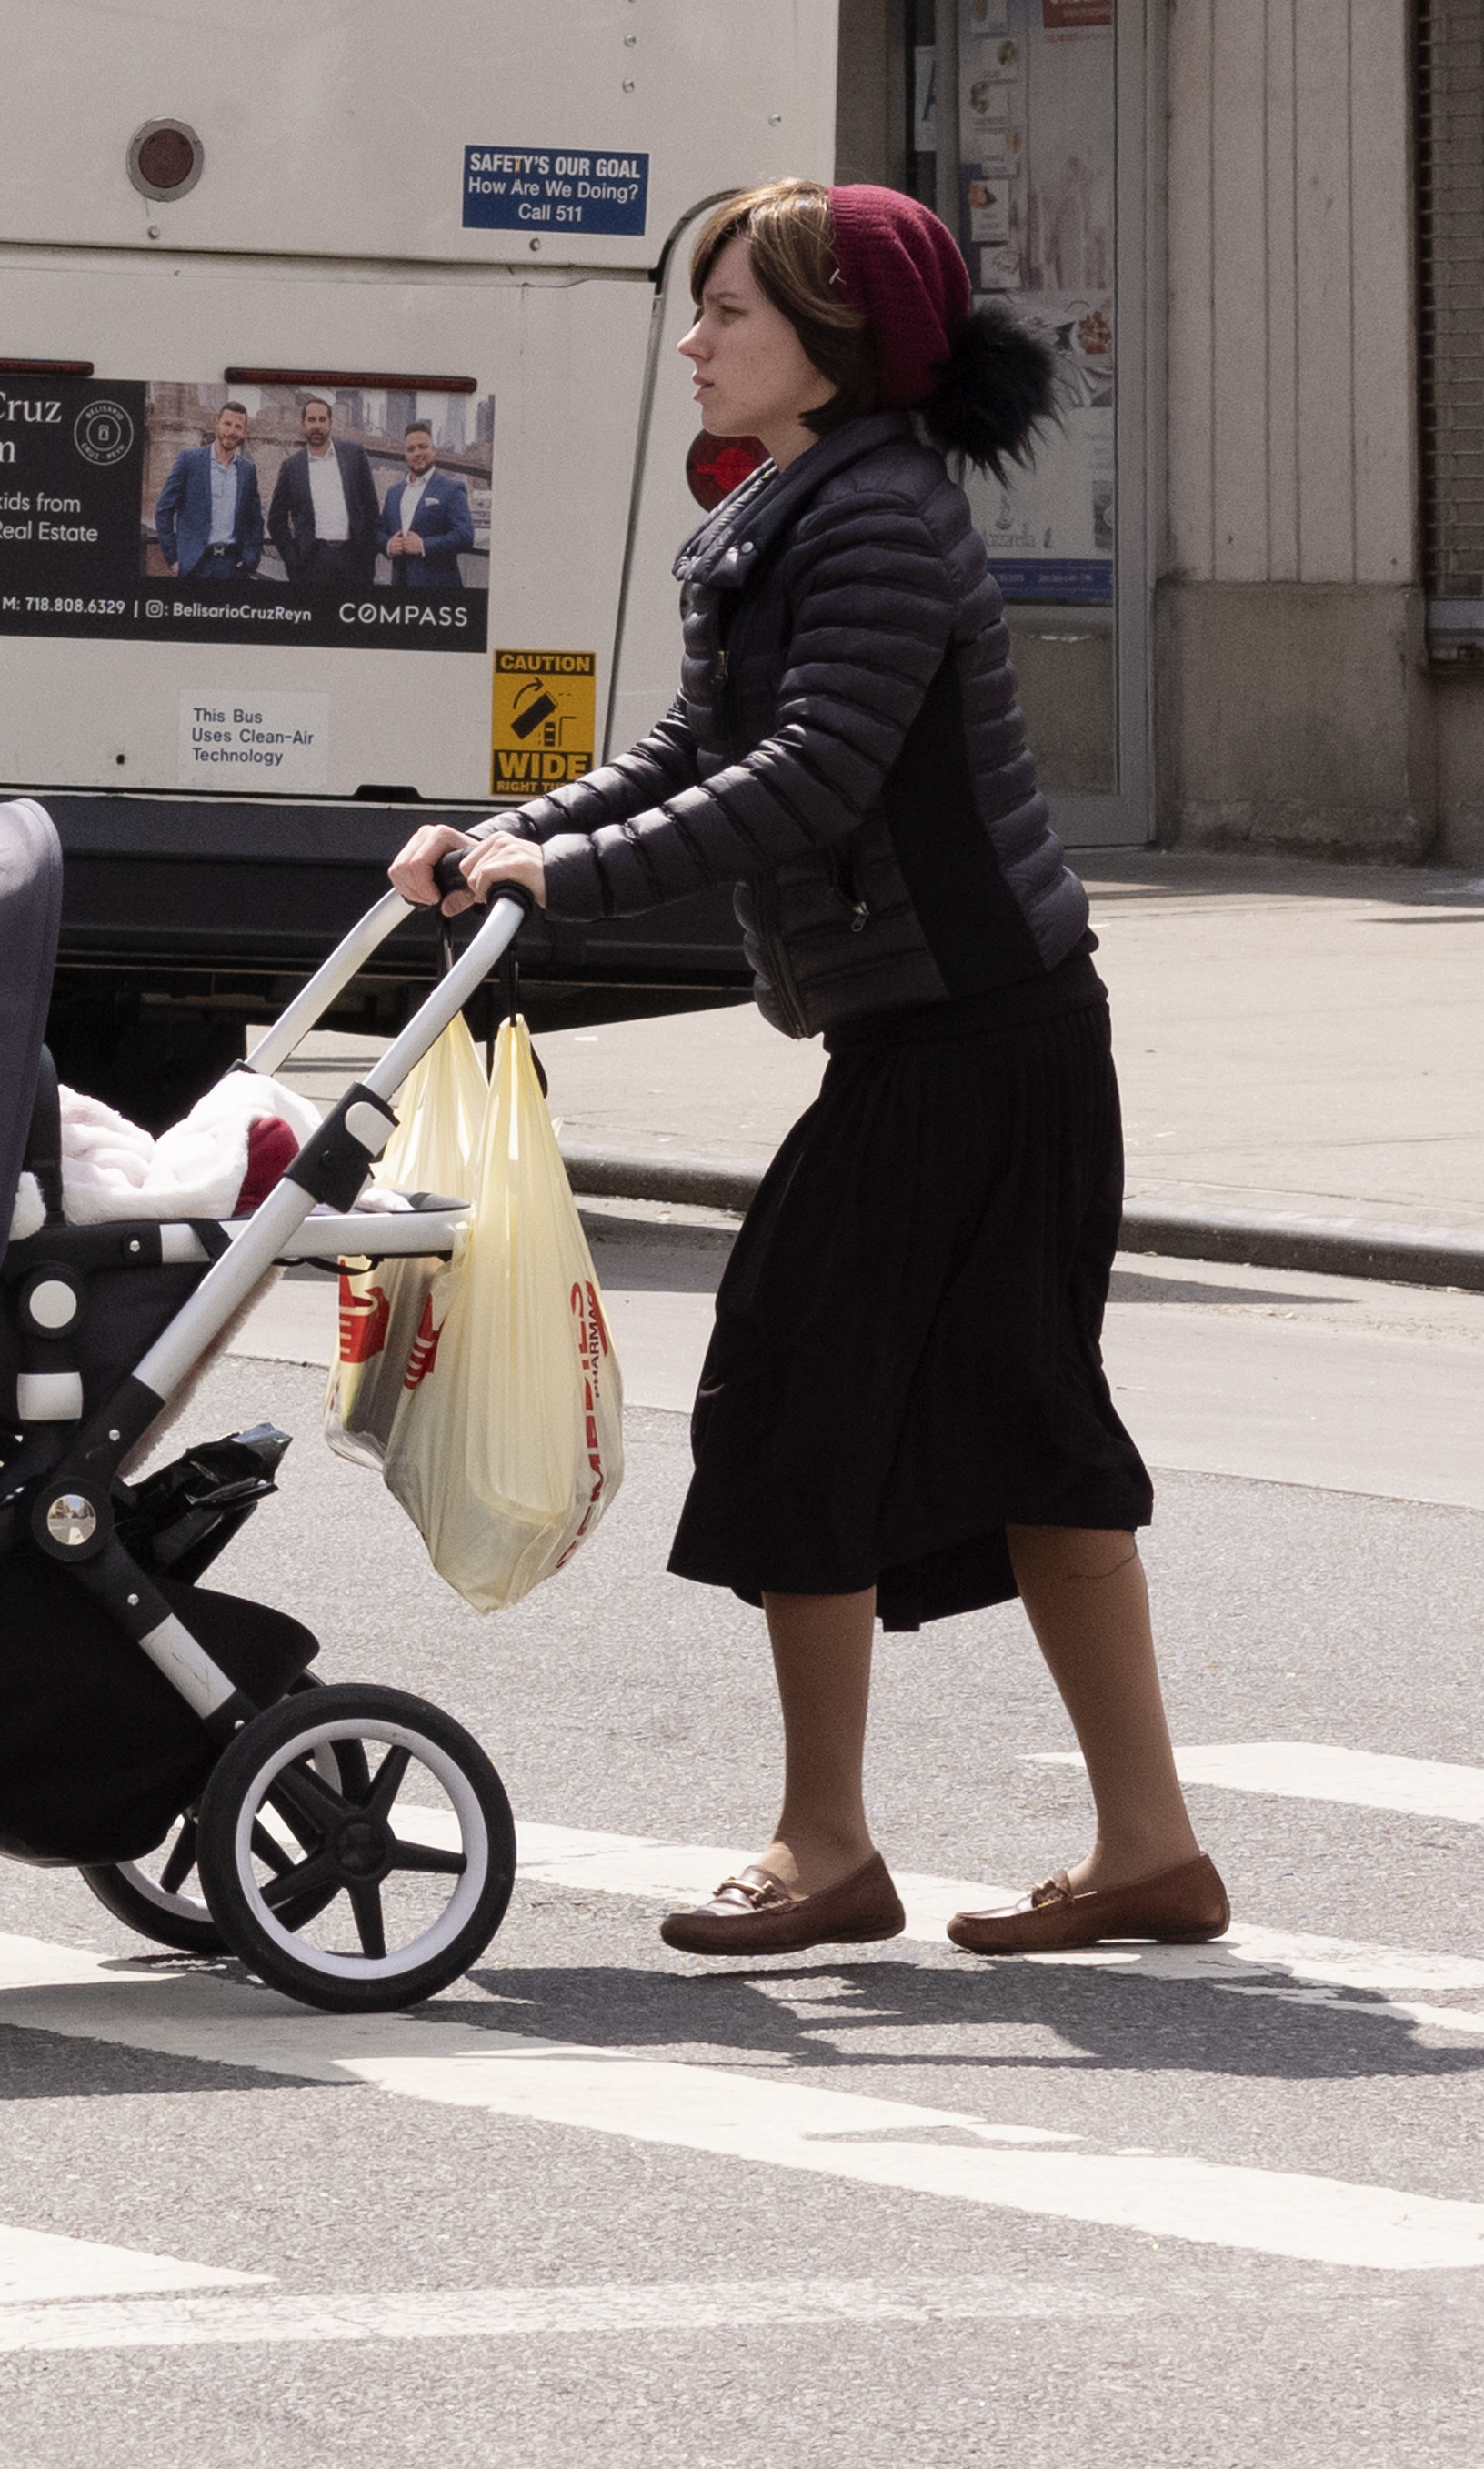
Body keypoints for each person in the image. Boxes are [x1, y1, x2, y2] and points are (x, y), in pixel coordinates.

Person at [394, 178, 1219, 1962]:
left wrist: (569, 877)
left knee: (809, 1389)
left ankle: (837, 1841)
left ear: (838, 345)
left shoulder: (878, 522)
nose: (694, 342)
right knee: (1014, 1420)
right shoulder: (802, 502)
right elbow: (704, 743)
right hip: (954, 1034)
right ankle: (1140, 1846)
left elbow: (815, 775)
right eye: (698, 311)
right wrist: (509, 837)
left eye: (730, 315)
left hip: (982, 1043)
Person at [266, 394, 380, 587]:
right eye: (311, 420)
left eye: (322, 419)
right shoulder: (291, 467)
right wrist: (293, 560)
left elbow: (371, 508)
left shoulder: (354, 455)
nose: (317, 425)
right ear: (302, 425)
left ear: (330, 423)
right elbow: (276, 520)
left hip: (353, 562)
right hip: (310, 564)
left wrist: (367, 555)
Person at [149, 400, 263, 582]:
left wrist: (251, 557)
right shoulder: (189, 461)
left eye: (238, 426)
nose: (231, 431)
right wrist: (173, 559)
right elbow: (164, 509)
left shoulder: (248, 470)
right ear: (216, 423)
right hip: (195, 564)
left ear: (243, 432)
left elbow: (255, 519)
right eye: (227, 423)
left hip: (233, 566)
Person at [381, 420, 476, 592]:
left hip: (440, 590)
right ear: (405, 455)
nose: (417, 453)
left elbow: (465, 536)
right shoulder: (393, 493)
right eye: (411, 449)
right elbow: (379, 531)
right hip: (399, 587)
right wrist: (388, 544)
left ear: (434, 450)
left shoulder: (452, 489)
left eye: (423, 446)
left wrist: (424, 545)